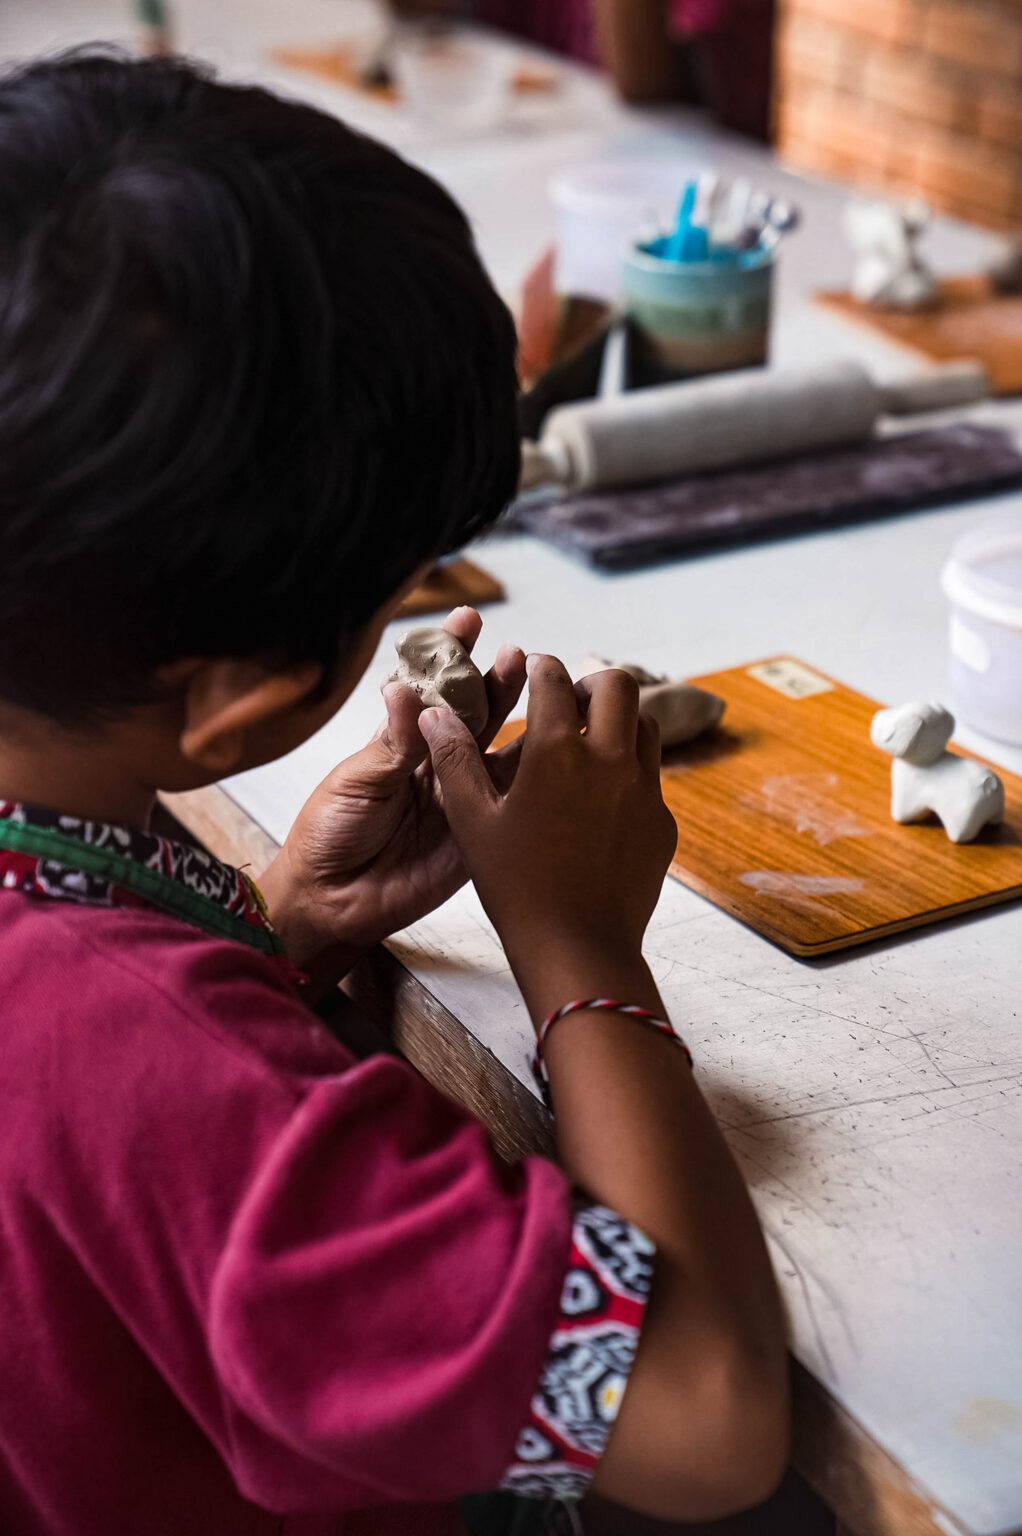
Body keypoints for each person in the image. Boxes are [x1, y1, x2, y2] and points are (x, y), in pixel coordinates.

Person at [0, 51, 788, 1536]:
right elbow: (705, 1418)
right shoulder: (148, 1065)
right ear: (244, 693)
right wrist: (575, 944)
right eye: (399, 587)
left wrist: (278, 929)